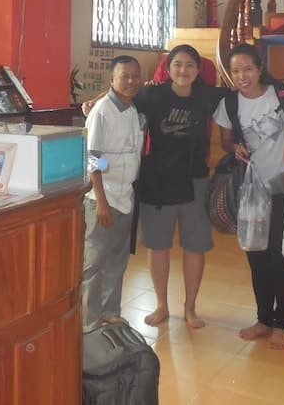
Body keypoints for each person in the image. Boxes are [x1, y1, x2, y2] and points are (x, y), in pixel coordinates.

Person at [132, 44, 226, 328]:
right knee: (157, 245)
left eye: (189, 65)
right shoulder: (152, 94)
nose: (183, 70)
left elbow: (247, 91)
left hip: (195, 180)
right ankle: (161, 305)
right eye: (177, 64)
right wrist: (92, 102)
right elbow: (121, 93)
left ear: (198, 70)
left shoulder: (208, 95)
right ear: (168, 68)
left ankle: (190, 307)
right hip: (157, 181)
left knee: (194, 246)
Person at [212, 44, 284, 350]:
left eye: (248, 69)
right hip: (251, 190)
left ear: (260, 68)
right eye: (235, 71)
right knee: (256, 253)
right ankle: (263, 318)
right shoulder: (229, 103)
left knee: (281, 255)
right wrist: (234, 147)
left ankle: (281, 325)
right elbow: (225, 140)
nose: (242, 76)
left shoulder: (283, 93)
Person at [81, 55, 145, 331]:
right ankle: (89, 322)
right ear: (112, 79)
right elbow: (92, 159)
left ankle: (110, 312)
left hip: (125, 197)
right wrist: (102, 202)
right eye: (124, 76)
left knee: (117, 259)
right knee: (94, 262)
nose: (131, 81)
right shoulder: (102, 111)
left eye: (135, 76)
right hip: (102, 199)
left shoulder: (132, 109)